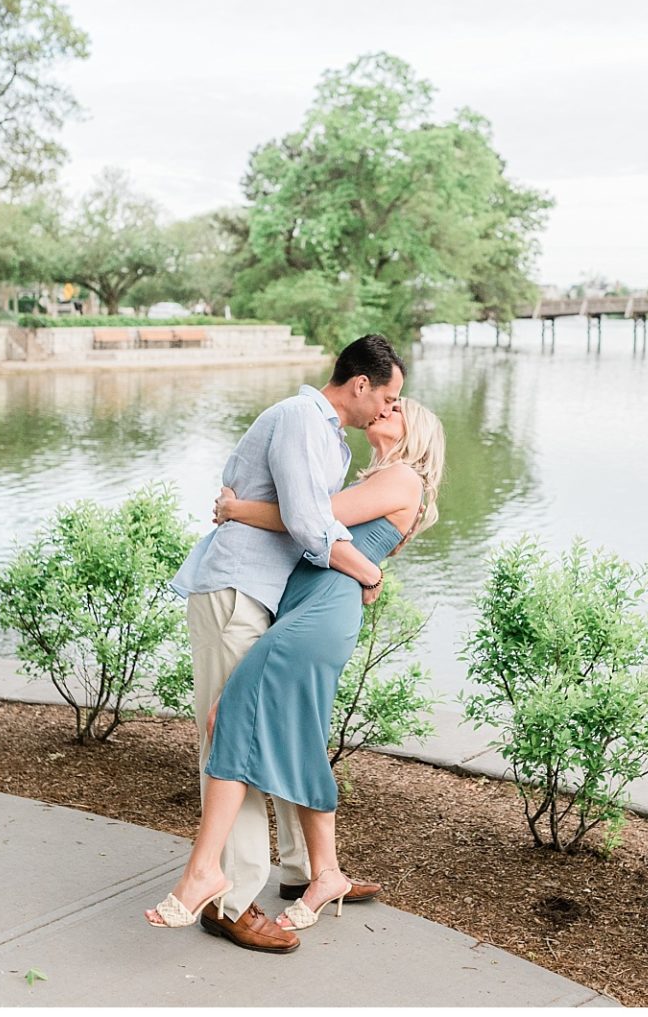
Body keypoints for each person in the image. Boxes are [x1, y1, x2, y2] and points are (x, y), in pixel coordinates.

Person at [148, 395, 445, 942]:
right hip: (311, 608)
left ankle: (209, 876)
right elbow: (313, 521)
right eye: (385, 398)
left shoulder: (403, 477)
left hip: (320, 614)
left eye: (397, 407)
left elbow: (308, 519)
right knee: (292, 730)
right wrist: (363, 569)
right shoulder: (383, 478)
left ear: (416, 433)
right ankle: (319, 871)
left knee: (231, 714)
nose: (384, 408)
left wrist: (236, 510)